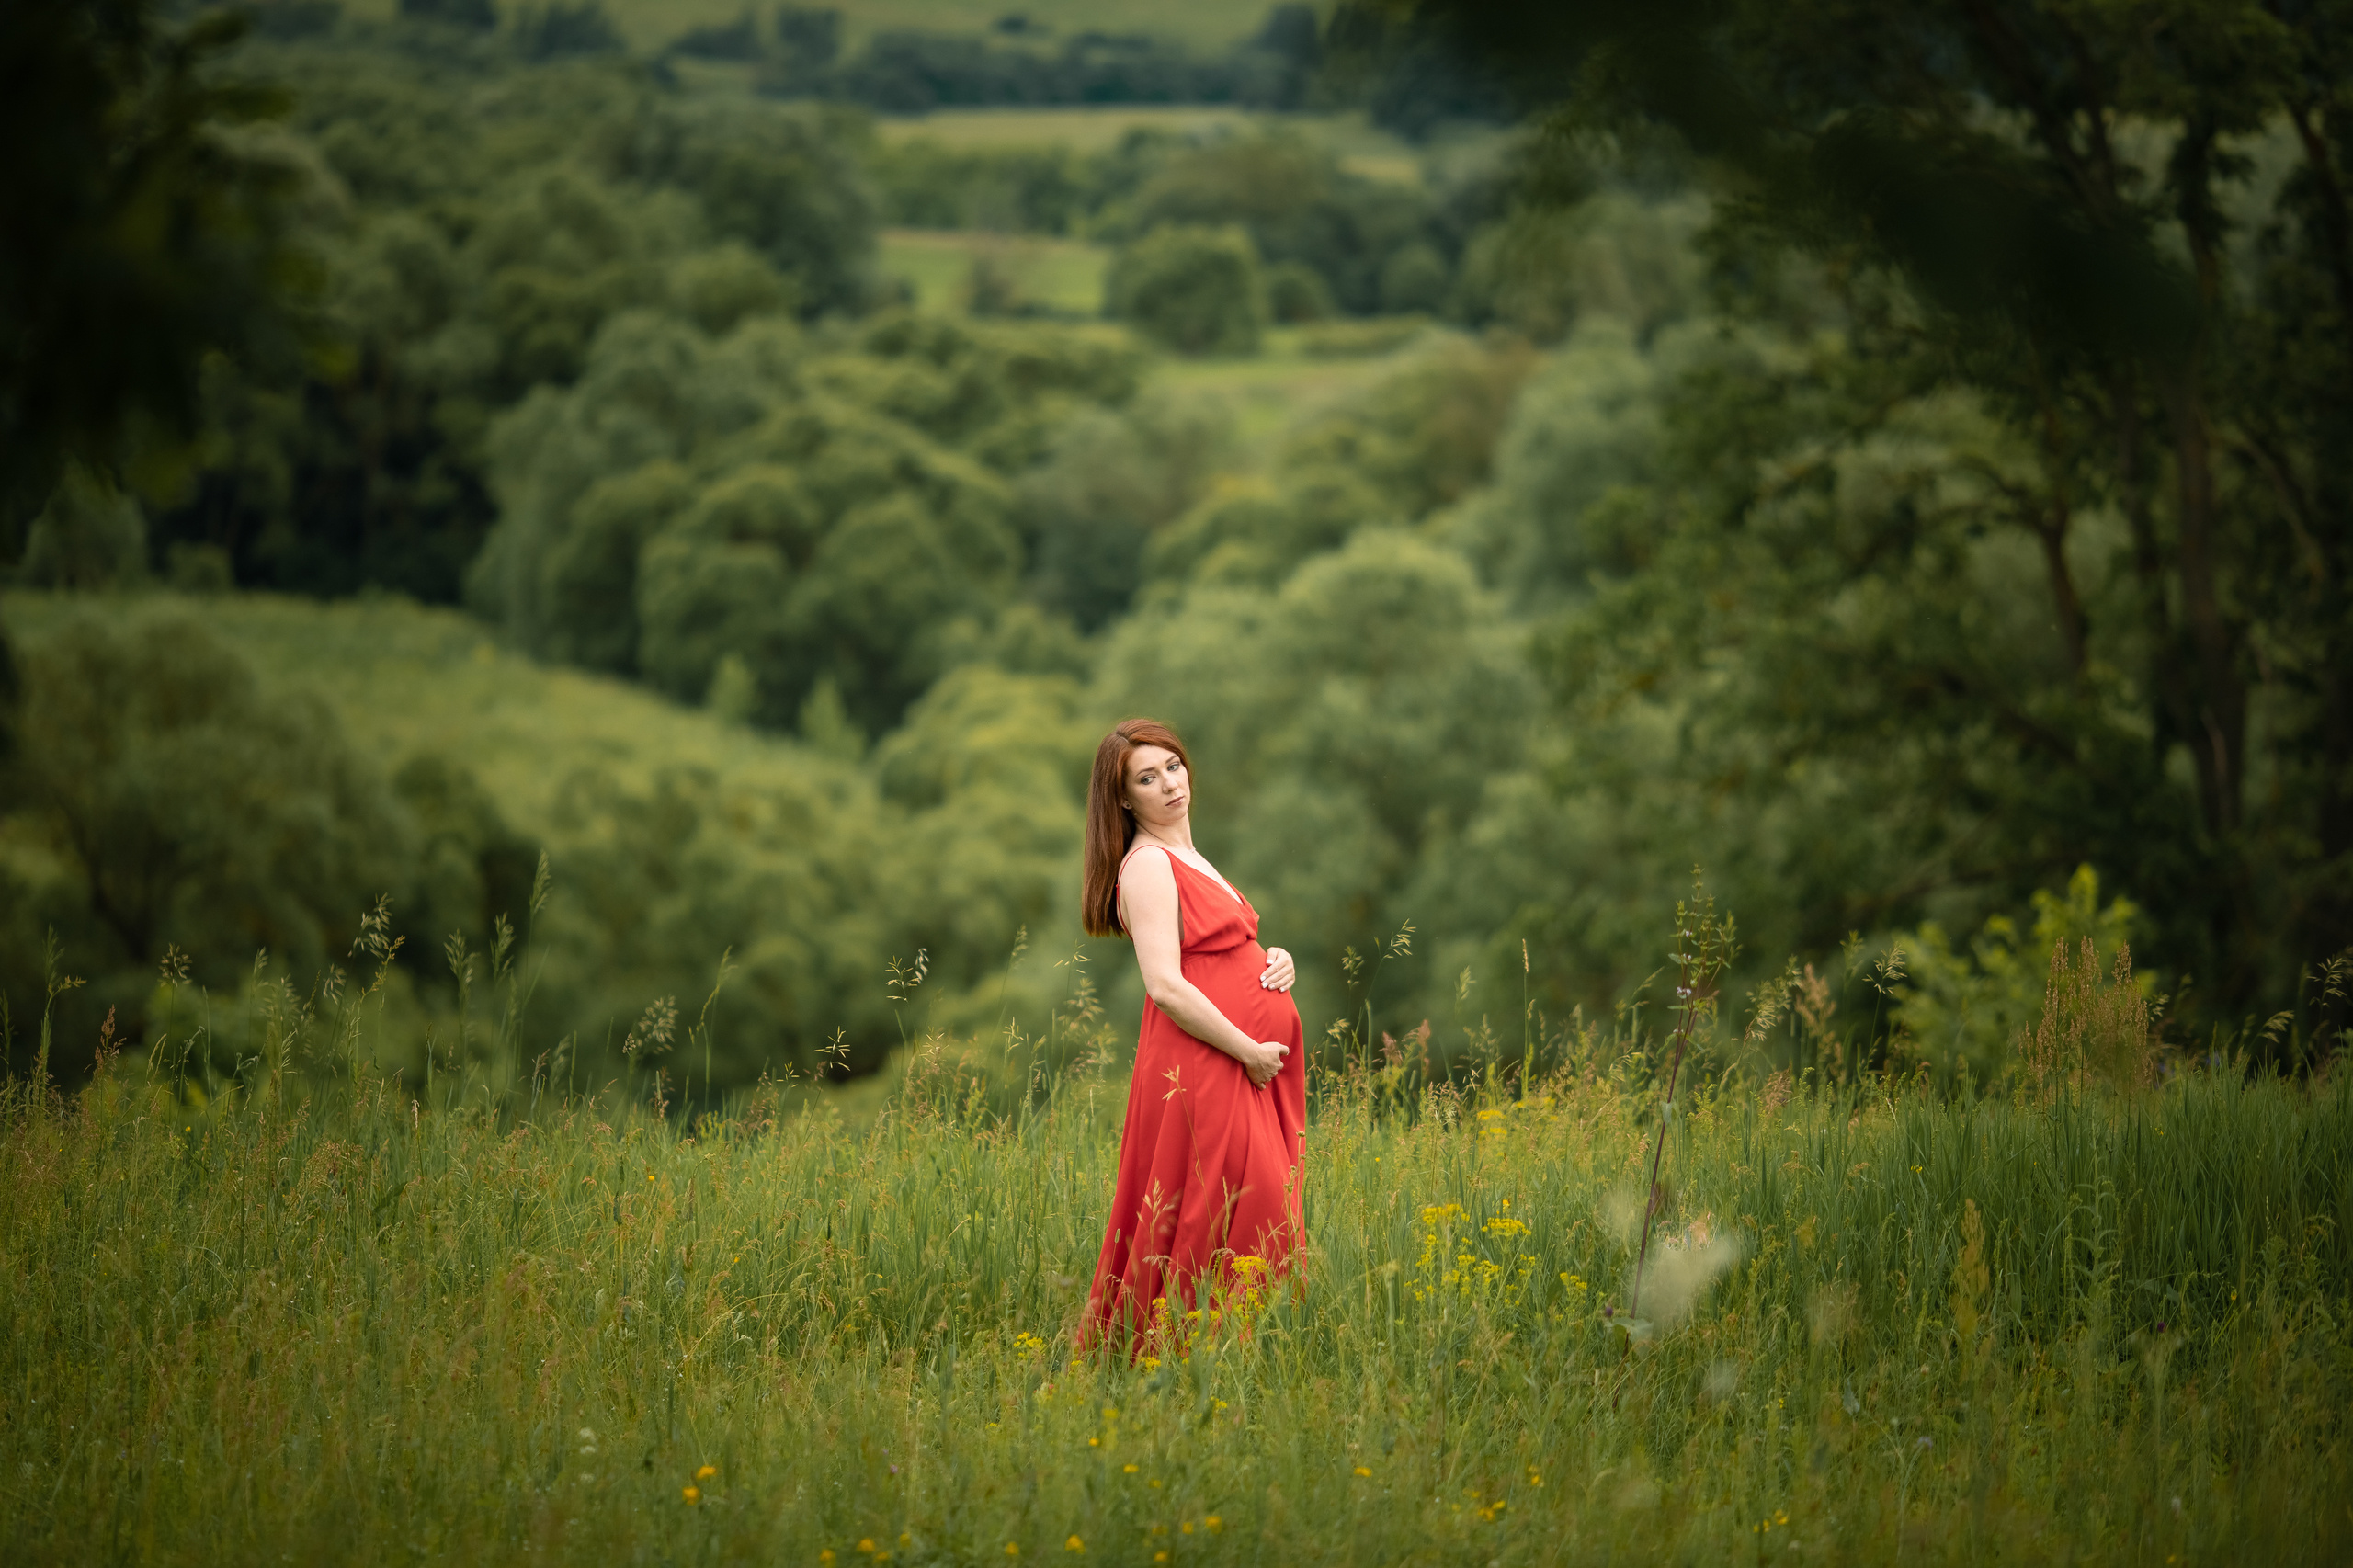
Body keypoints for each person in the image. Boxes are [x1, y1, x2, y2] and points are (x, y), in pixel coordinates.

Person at [1077, 718, 1305, 1352]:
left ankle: (1226, 1361)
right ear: (1125, 799)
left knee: (1247, 1214)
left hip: (1244, 1062)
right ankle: (1188, 1360)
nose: (1170, 784)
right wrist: (1248, 1050)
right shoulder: (1148, 865)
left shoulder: (1188, 856)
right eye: (1147, 779)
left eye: (1172, 766)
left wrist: (1276, 958)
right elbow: (1166, 986)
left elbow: (1223, 948)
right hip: (1210, 1062)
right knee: (1245, 1212)